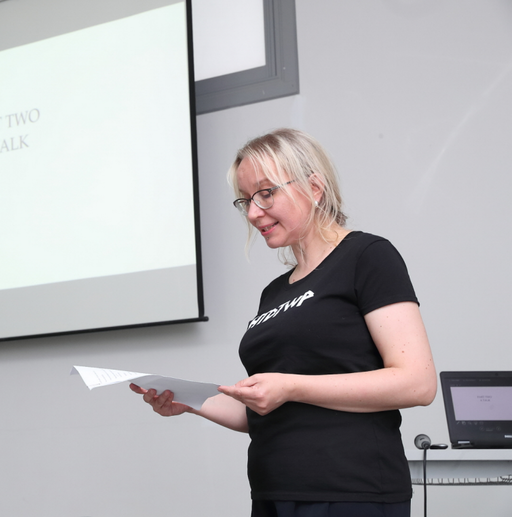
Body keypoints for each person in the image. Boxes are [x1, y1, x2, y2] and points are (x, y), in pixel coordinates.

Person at [130, 128, 437, 517]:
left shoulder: (367, 256)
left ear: (314, 187)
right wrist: (188, 400)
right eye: (245, 200)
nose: (253, 213)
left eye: (265, 193)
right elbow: (265, 406)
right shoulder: (274, 292)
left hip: (351, 493)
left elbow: (417, 383)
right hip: (274, 492)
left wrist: (291, 386)